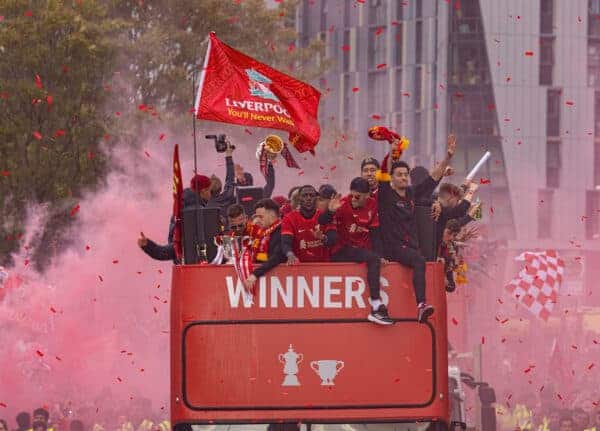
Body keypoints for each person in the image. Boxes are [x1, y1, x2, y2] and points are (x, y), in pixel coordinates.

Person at [377, 134, 457, 322]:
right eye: (400, 175)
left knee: (418, 258)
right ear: (392, 179)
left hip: (411, 247)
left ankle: (421, 305)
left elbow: (432, 179)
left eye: (406, 174)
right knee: (419, 260)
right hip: (394, 248)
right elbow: (383, 171)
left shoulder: (411, 194)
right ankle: (421, 305)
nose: (404, 177)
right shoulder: (386, 195)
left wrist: (448, 157)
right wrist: (392, 153)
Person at [319, 177, 392, 325]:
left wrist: (380, 255)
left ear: (367, 195)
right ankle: (376, 306)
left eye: (358, 196)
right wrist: (330, 211)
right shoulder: (342, 204)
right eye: (352, 195)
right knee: (372, 259)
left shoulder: (372, 205)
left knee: (374, 258)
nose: (354, 199)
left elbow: (375, 233)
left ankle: (376, 307)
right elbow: (321, 221)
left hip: (361, 249)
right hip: (341, 250)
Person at [281, 185, 337, 264]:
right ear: (299, 199)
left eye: (311, 195)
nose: (308, 198)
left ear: (316, 199)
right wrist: (290, 254)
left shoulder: (326, 216)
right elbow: (285, 242)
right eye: (305, 195)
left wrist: (323, 238)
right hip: (300, 266)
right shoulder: (289, 218)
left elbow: (333, 239)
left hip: (322, 266)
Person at [243, 198, 286, 291]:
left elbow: (277, 257)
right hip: (267, 279)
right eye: (256, 216)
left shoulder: (283, 230)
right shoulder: (263, 232)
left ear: (272, 215)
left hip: (281, 281)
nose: (257, 220)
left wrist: (255, 274)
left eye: (261, 216)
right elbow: (262, 257)